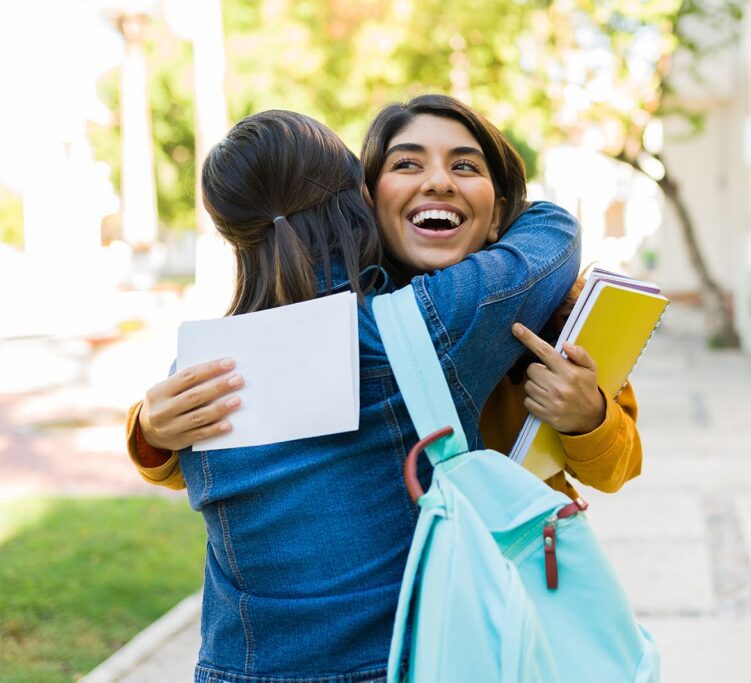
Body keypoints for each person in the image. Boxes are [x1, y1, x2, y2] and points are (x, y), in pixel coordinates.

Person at [131, 104, 580, 681]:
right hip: (399, 661)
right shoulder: (426, 322)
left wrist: (145, 430)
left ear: (230, 229)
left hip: (240, 666)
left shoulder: (197, 367)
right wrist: (494, 209)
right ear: (360, 198)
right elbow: (555, 232)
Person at [129, 95, 642, 503]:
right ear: (367, 202)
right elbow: (238, 444)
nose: (438, 182)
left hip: (514, 588)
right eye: (407, 165)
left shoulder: (558, 317)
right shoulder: (340, 317)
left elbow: (620, 467)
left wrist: (588, 416)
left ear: (497, 214)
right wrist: (153, 430)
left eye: (465, 166)